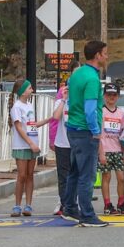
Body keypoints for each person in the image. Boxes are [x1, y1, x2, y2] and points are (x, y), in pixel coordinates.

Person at [61, 40, 110, 226]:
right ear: (97, 55)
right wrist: (96, 131)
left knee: (74, 171)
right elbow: (90, 109)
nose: (106, 56)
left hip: (72, 128)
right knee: (87, 175)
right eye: (105, 53)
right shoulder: (92, 78)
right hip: (85, 131)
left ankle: (70, 208)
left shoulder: (77, 74)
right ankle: (87, 215)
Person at [9, 79, 47, 217]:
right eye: (30, 88)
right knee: (22, 175)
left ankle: (28, 205)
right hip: (22, 144)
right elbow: (19, 127)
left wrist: (48, 120)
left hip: (32, 143)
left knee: (30, 175)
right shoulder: (17, 107)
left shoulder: (30, 106)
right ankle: (17, 205)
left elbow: (32, 125)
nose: (32, 90)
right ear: (23, 91)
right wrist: (30, 143)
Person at [99, 83, 124, 216]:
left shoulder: (121, 113)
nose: (111, 97)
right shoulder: (101, 111)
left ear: (118, 97)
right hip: (104, 149)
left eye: (114, 95)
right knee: (106, 176)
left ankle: (121, 204)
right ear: (104, 96)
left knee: (121, 177)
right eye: (109, 94)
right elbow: (97, 134)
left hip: (117, 149)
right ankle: (107, 204)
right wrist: (101, 153)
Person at [50, 86, 70, 216]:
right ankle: (63, 204)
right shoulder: (60, 102)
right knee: (63, 176)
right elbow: (56, 117)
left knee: (76, 175)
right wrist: (63, 99)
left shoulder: (80, 101)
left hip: (76, 143)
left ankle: (74, 202)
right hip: (62, 144)